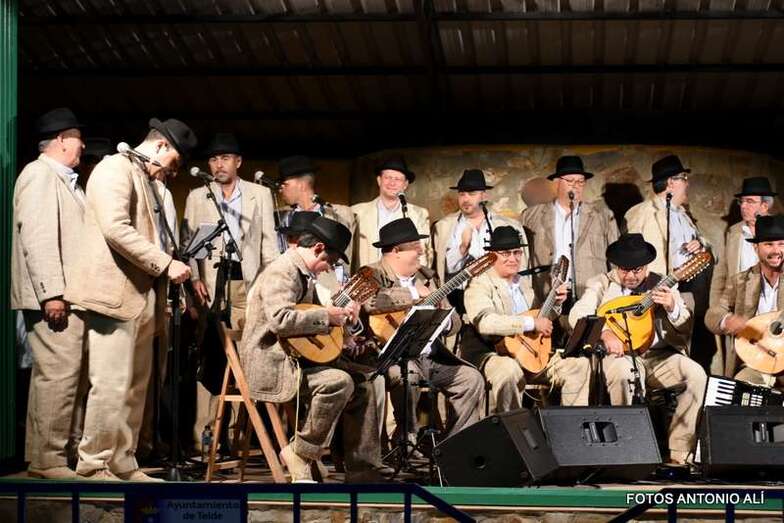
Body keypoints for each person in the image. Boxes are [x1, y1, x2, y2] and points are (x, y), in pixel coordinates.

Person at [65, 118, 197, 481]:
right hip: (113, 294)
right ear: (161, 146)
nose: (171, 171)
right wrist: (165, 263)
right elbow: (115, 228)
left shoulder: (147, 179)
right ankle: (93, 463)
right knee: (110, 383)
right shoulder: (114, 169)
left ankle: (122, 461)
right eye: (173, 162)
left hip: (142, 298)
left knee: (136, 387)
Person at [239, 216, 380, 482]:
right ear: (317, 248)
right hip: (274, 363)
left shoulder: (304, 274)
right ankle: (300, 453)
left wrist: (344, 326)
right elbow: (281, 320)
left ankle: (362, 469)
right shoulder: (282, 271)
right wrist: (328, 316)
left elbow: (313, 320)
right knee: (337, 382)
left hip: (297, 358)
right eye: (330, 262)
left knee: (365, 381)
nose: (328, 270)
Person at [568, 234, 706, 465]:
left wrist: (672, 306)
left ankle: (679, 453)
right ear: (616, 266)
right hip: (619, 356)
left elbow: (685, 325)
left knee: (696, 375)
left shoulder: (662, 283)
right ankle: (624, 450)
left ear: (646, 267)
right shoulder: (601, 283)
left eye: (637, 270)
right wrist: (604, 332)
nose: (631, 276)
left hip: (658, 356)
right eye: (624, 270)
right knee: (625, 373)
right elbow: (577, 316)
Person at [11, 107, 87, 479]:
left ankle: (60, 453)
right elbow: (38, 237)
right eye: (78, 139)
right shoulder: (38, 174)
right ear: (60, 140)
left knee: (69, 377)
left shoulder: (67, 180)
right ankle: (46, 459)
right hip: (54, 299)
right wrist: (51, 294)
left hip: (71, 297)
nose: (82, 146)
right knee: (57, 376)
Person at [362, 218, 484, 443]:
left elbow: (455, 322)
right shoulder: (371, 273)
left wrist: (442, 319)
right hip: (391, 358)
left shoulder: (427, 276)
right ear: (396, 251)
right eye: (414, 246)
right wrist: (414, 294)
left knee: (471, 378)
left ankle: (454, 444)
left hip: (431, 358)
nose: (420, 251)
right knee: (408, 375)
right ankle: (406, 439)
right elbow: (371, 302)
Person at [462, 226, 590, 413]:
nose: (513, 259)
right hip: (494, 353)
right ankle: (512, 426)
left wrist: (556, 303)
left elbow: (539, 318)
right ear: (492, 256)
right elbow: (485, 322)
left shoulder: (523, 284)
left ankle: (571, 425)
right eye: (506, 253)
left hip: (529, 354)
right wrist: (530, 324)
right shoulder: (479, 283)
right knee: (509, 371)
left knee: (578, 366)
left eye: (517, 253)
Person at [625, 154, 715, 371]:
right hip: (663, 289)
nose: (687, 184)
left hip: (691, 291)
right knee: (666, 348)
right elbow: (633, 255)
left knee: (693, 347)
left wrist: (700, 244)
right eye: (684, 178)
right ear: (671, 182)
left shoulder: (684, 214)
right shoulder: (643, 213)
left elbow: (709, 250)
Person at [520, 155, 619, 305]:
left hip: (590, 295)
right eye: (570, 181)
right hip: (546, 294)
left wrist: (614, 294)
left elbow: (615, 260)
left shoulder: (603, 216)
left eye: (580, 181)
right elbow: (522, 258)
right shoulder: (531, 216)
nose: (576, 186)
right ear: (557, 182)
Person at [705, 215, 784, 389]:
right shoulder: (740, 281)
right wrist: (727, 320)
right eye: (769, 244)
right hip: (754, 361)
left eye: (781, 244)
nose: (776, 250)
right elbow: (713, 314)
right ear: (756, 248)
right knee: (740, 389)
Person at [709, 176, 776, 375]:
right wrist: (717, 310)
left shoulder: (778, 232)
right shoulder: (734, 232)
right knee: (737, 369)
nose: (744, 206)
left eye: (750, 201)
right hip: (739, 311)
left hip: (771, 310)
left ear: (765, 206)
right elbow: (721, 273)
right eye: (742, 201)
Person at [432, 168, 524, 289]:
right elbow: (443, 269)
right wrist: (463, 248)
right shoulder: (444, 227)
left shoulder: (509, 225)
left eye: (472, 194)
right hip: (458, 294)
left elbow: (520, 265)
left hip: (499, 292)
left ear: (484, 196)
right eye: (462, 194)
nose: (465, 199)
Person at [275, 155, 355, 274]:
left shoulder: (341, 214)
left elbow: (345, 259)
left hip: (329, 282)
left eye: (285, 184)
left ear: (301, 185)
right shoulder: (280, 216)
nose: (280, 189)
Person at [352, 158, 432, 269]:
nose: (392, 183)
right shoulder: (357, 212)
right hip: (366, 275)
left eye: (398, 179)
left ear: (405, 184)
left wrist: (416, 276)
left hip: (402, 277)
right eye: (388, 177)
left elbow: (424, 252)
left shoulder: (419, 214)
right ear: (379, 180)